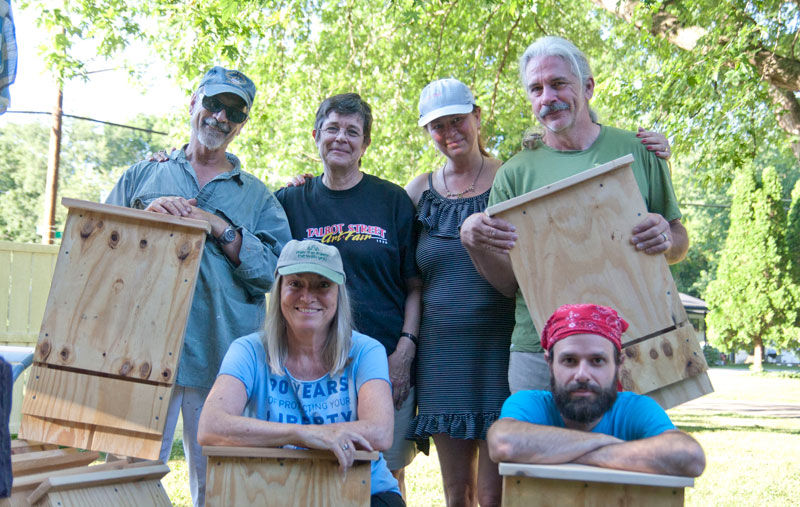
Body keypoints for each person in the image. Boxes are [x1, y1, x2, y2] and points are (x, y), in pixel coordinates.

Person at [461, 36, 688, 397]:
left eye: (558, 83)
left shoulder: (638, 150)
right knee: (538, 453)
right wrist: (473, 243)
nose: (546, 97)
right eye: (535, 89)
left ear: (588, 86)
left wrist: (666, 238)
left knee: (631, 454)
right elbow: (509, 284)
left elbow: (677, 240)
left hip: (636, 340)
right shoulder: (514, 174)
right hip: (540, 350)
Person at [105, 66, 292, 507]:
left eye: (234, 111)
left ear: (242, 123)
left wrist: (220, 228)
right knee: (125, 479)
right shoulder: (141, 178)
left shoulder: (258, 196)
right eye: (213, 103)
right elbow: (99, 250)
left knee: (219, 489)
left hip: (221, 358)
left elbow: (273, 274)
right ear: (193, 103)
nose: (220, 117)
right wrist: (145, 217)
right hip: (140, 354)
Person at [275, 93, 421, 495]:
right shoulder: (289, 201)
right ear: (316, 135)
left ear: (365, 144)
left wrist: (404, 353)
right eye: (333, 128)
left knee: (385, 473)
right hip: (311, 365)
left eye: (352, 131)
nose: (341, 138)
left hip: (382, 359)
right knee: (312, 471)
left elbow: (414, 285)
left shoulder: (392, 201)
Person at [197, 240, 404, 507]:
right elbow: (211, 426)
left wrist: (303, 434)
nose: (307, 297)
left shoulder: (366, 350)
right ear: (279, 288)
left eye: (323, 285)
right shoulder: (248, 350)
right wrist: (304, 434)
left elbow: (379, 432)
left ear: (339, 293)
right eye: (295, 284)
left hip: (364, 490)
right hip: (273, 489)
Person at [403, 78, 514, 507]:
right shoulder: (417, 192)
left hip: (499, 351)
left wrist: (650, 152)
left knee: (492, 494)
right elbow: (392, 261)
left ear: (478, 117)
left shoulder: (510, 178)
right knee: (457, 493)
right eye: (437, 126)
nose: (450, 132)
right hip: (441, 357)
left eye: (458, 120)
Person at [487, 304, 706, 477]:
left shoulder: (635, 408)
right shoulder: (529, 404)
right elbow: (504, 441)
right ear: (550, 364)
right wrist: (605, 441)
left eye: (597, 360)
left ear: (618, 364)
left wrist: (559, 451)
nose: (582, 374)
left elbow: (689, 456)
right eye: (569, 360)